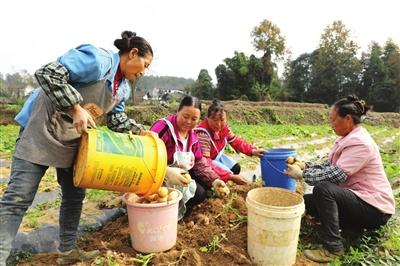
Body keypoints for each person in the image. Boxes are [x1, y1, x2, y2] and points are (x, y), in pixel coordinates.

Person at [0, 31, 153, 265]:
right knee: (18, 198)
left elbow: (116, 119)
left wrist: (139, 130)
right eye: (145, 64)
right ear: (133, 53)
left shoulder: (122, 88)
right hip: (42, 129)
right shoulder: (98, 61)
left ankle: (67, 251)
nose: (144, 71)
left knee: (74, 197)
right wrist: (75, 107)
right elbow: (48, 73)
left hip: (73, 140)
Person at [285, 95, 395, 263]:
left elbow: (336, 175)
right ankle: (351, 228)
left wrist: (302, 175)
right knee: (308, 201)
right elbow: (328, 165)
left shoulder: (360, 143)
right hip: (358, 199)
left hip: (375, 209)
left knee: (323, 189)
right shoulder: (348, 138)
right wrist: (306, 166)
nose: (331, 124)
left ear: (348, 119)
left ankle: (332, 247)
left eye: (333, 120)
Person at [150, 96, 229, 218]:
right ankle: (162, 212)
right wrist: (166, 171)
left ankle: (180, 210)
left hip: (177, 178)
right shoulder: (163, 128)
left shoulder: (193, 136)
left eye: (194, 119)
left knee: (201, 193)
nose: (188, 122)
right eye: (185, 117)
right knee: (158, 197)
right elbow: (145, 157)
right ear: (177, 112)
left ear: (199, 120)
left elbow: (199, 162)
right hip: (154, 176)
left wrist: (214, 180)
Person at [195, 100, 265, 185]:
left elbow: (236, 141)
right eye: (215, 120)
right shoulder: (202, 134)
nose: (218, 124)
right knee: (226, 176)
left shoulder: (225, 129)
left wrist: (253, 151)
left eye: (222, 120)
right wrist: (229, 176)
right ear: (207, 118)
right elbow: (205, 163)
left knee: (236, 168)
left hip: (216, 158)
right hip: (204, 163)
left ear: (226, 118)